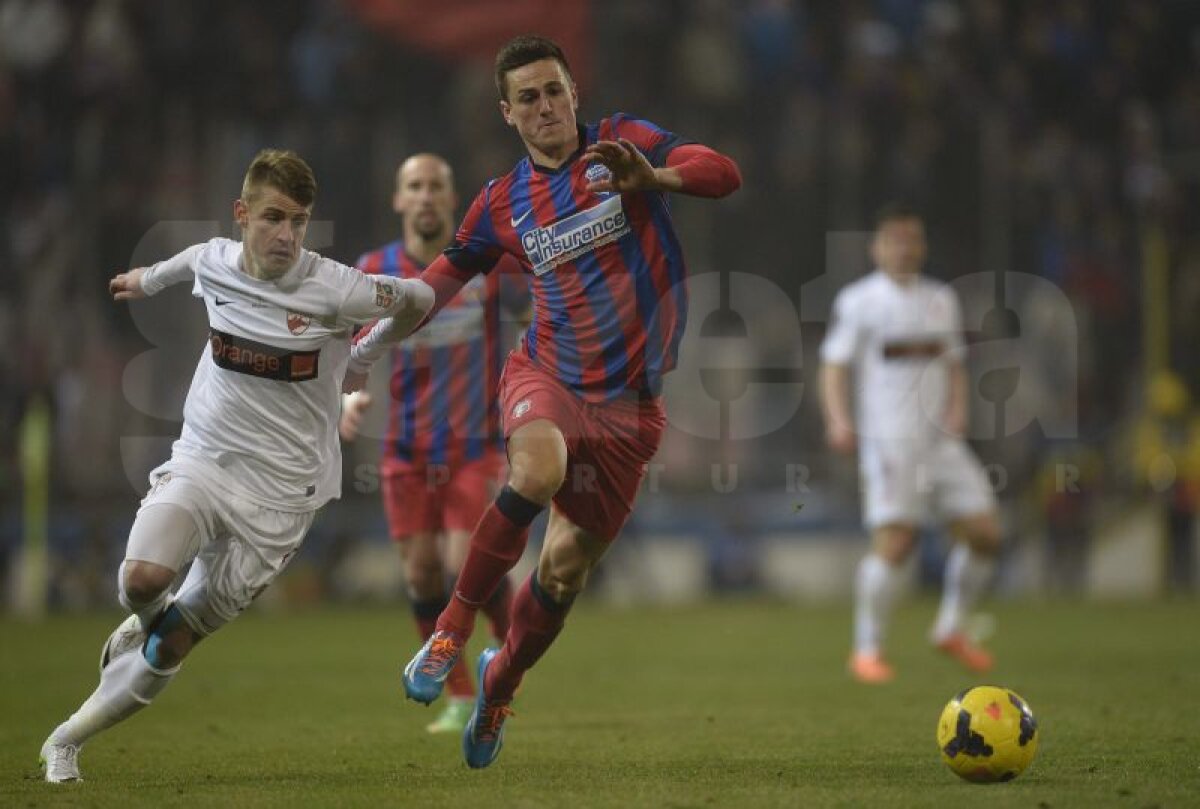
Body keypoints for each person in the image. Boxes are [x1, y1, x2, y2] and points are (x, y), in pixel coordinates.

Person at [351, 35, 740, 767]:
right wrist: (364, 347)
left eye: (554, 90)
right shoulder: (500, 203)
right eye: (527, 97)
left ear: (574, 93)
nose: (545, 106)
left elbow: (724, 173)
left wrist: (653, 177)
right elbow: (433, 288)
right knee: (536, 471)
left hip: (631, 409)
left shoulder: (622, 142)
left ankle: (499, 684)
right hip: (548, 375)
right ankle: (450, 631)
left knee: (563, 572)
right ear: (507, 113)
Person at [38, 149, 434, 783]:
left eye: (299, 221)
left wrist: (366, 353)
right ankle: (145, 618)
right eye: (273, 217)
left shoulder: (337, 288)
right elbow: (190, 260)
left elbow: (419, 296)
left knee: (174, 641)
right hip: (207, 458)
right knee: (140, 581)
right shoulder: (217, 261)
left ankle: (64, 740)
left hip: (283, 494)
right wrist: (145, 280)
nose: (287, 235)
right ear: (242, 214)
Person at [340, 153, 528, 734]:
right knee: (422, 576)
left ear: (451, 199)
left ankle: (509, 665)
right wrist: (348, 399)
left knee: (461, 563)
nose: (425, 196)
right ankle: (461, 696)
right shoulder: (375, 270)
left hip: (474, 444)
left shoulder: (485, 262)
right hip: (405, 448)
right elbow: (345, 348)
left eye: (435, 187)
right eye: (414, 186)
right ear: (399, 199)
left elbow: (532, 315)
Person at [819, 202, 1001, 685]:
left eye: (911, 240)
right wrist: (839, 420)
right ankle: (866, 650)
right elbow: (833, 366)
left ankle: (951, 628)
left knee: (985, 533)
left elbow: (954, 363)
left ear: (922, 246)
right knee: (897, 542)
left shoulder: (941, 298)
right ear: (876, 248)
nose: (904, 249)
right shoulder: (859, 301)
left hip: (941, 442)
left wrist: (958, 409)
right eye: (894, 240)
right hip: (890, 441)